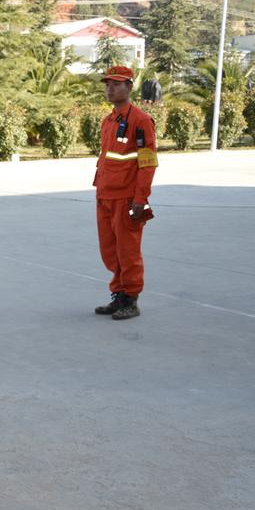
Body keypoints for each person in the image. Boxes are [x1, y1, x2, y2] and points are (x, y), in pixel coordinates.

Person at [92, 66, 158, 320]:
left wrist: (140, 198)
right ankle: (119, 295)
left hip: (127, 197)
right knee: (110, 250)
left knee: (128, 250)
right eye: (107, 85)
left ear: (129, 87)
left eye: (116, 84)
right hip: (105, 194)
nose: (110, 89)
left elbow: (147, 163)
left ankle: (131, 299)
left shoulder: (140, 121)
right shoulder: (108, 121)